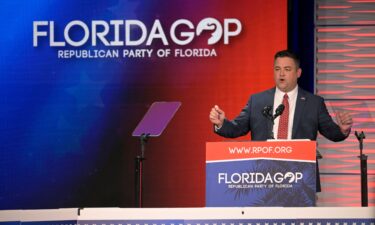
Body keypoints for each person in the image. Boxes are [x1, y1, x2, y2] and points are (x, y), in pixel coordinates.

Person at [209, 49, 353, 191]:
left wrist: (342, 129)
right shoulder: (257, 100)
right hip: (263, 176)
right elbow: (238, 128)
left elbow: (330, 131)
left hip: (300, 175)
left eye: (287, 69)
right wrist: (221, 123)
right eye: (277, 69)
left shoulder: (314, 103)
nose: (281, 73)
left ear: (298, 73)